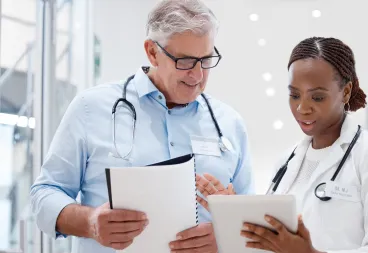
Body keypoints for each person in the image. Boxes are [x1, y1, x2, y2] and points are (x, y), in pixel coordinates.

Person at [30, 0, 254, 252]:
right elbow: (44, 195)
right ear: (152, 51)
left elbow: (253, 222)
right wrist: (90, 222)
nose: (198, 75)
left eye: (206, 59)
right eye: (185, 61)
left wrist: (227, 234)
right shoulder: (89, 108)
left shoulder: (230, 124)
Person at [196, 37, 368, 253]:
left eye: (317, 97)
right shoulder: (287, 162)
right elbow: (267, 244)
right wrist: (236, 215)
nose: (302, 108)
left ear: (346, 91)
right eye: (294, 95)